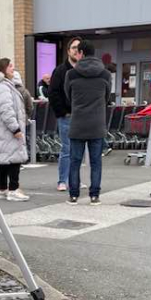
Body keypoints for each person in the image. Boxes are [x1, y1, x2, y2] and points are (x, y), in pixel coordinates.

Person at [64, 40, 111, 206]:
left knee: (75, 161)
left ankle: (74, 195)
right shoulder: (105, 74)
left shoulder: (71, 74)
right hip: (97, 123)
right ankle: (94, 195)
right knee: (96, 161)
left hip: (78, 122)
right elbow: (107, 98)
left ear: (81, 53)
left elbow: (68, 96)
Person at [0, 58, 30, 202]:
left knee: (4, 161)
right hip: (7, 129)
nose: (13, 68)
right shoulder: (2, 86)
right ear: (2, 68)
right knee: (15, 159)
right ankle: (13, 189)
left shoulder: (0, 84)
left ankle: (2, 189)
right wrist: (15, 128)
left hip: (1, 130)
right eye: (10, 66)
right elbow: (6, 109)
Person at [48, 36, 82, 191]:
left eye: (79, 48)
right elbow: (53, 93)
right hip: (67, 116)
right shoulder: (61, 71)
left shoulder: (84, 70)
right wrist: (63, 112)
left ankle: (74, 180)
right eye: (74, 48)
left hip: (82, 116)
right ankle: (62, 180)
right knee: (67, 149)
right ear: (68, 51)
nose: (77, 51)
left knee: (79, 150)